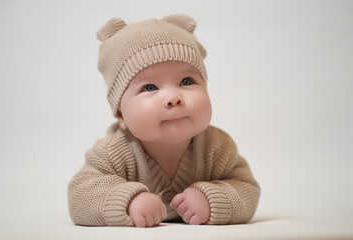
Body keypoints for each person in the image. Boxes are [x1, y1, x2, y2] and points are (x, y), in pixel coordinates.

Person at [68, 14, 260, 228]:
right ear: (121, 114)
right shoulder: (114, 151)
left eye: (186, 81)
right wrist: (128, 202)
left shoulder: (216, 147)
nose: (173, 98)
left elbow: (247, 188)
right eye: (149, 87)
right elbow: (80, 194)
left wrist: (211, 199)